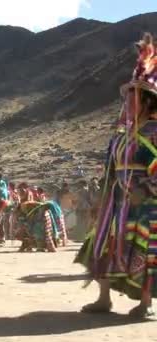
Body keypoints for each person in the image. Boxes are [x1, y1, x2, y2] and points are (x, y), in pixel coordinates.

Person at [76, 33, 157, 318]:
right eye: (128, 98)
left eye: (136, 98)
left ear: (148, 102)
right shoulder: (120, 135)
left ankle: (145, 303)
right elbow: (111, 170)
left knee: (146, 251)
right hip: (117, 201)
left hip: (147, 205)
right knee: (105, 244)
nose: (129, 103)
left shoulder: (155, 133)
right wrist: (103, 199)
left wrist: (146, 189)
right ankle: (104, 298)